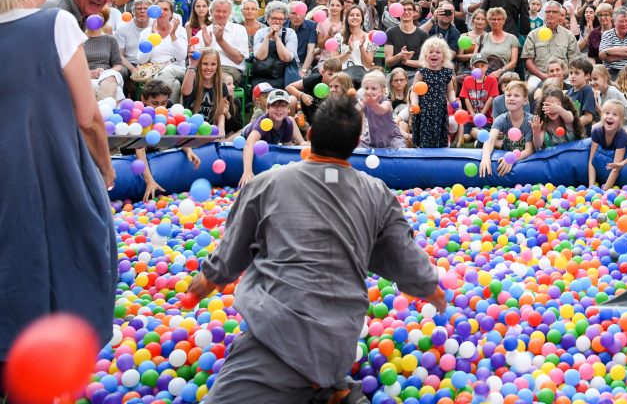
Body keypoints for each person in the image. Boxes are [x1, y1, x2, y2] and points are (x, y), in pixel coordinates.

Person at [184, 96, 446, 404]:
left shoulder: (268, 184)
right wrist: (431, 289)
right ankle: (328, 387)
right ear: (354, 147)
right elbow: (403, 255)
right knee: (305, 367)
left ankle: (322, 387)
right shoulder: (376, 193)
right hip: (341, 338)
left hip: (276, 336)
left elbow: (233, 248)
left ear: (308, 136)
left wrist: (208, 280)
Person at [0, 0, 116, 368]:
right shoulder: (55, 23)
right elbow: (88, 117)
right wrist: (104, 169)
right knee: (66, 272)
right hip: (51, 171)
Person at [409, 37, 456, 148]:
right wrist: (415, 103)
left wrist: (453, 100)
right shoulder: (421, 73)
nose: (434, 54)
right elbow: (414, 91)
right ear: (425, 55)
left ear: (444, 56)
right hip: (424, 110)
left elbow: (450, 91)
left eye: (438, 52)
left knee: (439, 134)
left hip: (439, 110)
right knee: (423, 137)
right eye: (430, 52)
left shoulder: (447, 73)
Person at [588, 99, 627, 189]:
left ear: (621, 120)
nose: (610, 117)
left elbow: (616, 168)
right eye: (607, 113)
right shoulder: (597, 132)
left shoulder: (622, 136)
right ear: (601, 115)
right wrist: (591, 186)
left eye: (615, 114)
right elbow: (591, 162)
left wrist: (605, 190)